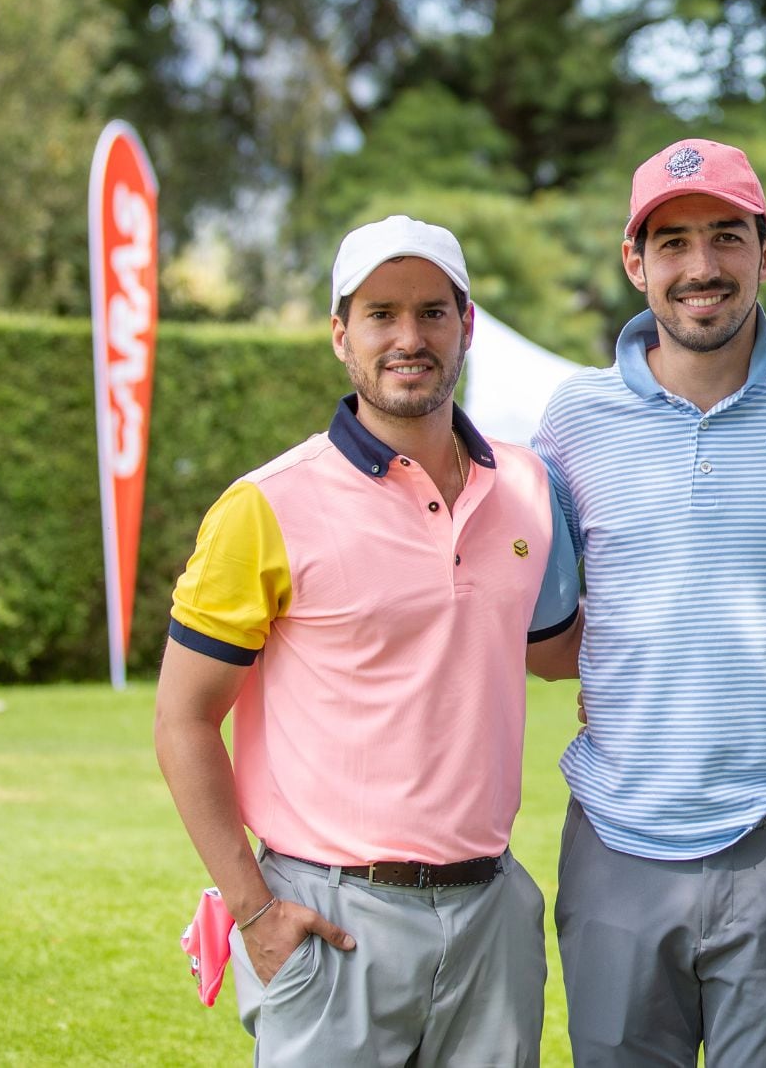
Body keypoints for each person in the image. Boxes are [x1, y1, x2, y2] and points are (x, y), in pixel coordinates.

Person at [153, 216, 581, 1067]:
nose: (409, 337)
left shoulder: (528, 486)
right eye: (381, 313)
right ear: (341, 333)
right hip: (329, 916)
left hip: (490, 913)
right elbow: (183, 720)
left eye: (432, 311)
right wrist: (252, 910)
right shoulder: (265, 505)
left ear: (467, 324)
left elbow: (552, 650)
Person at [533, 138, 766, 1067]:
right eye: (672, 242)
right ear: (635, 263)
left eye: (726, 236)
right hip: (614, 841)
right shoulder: (572, 420)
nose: (701, 267)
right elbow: (532, 600)